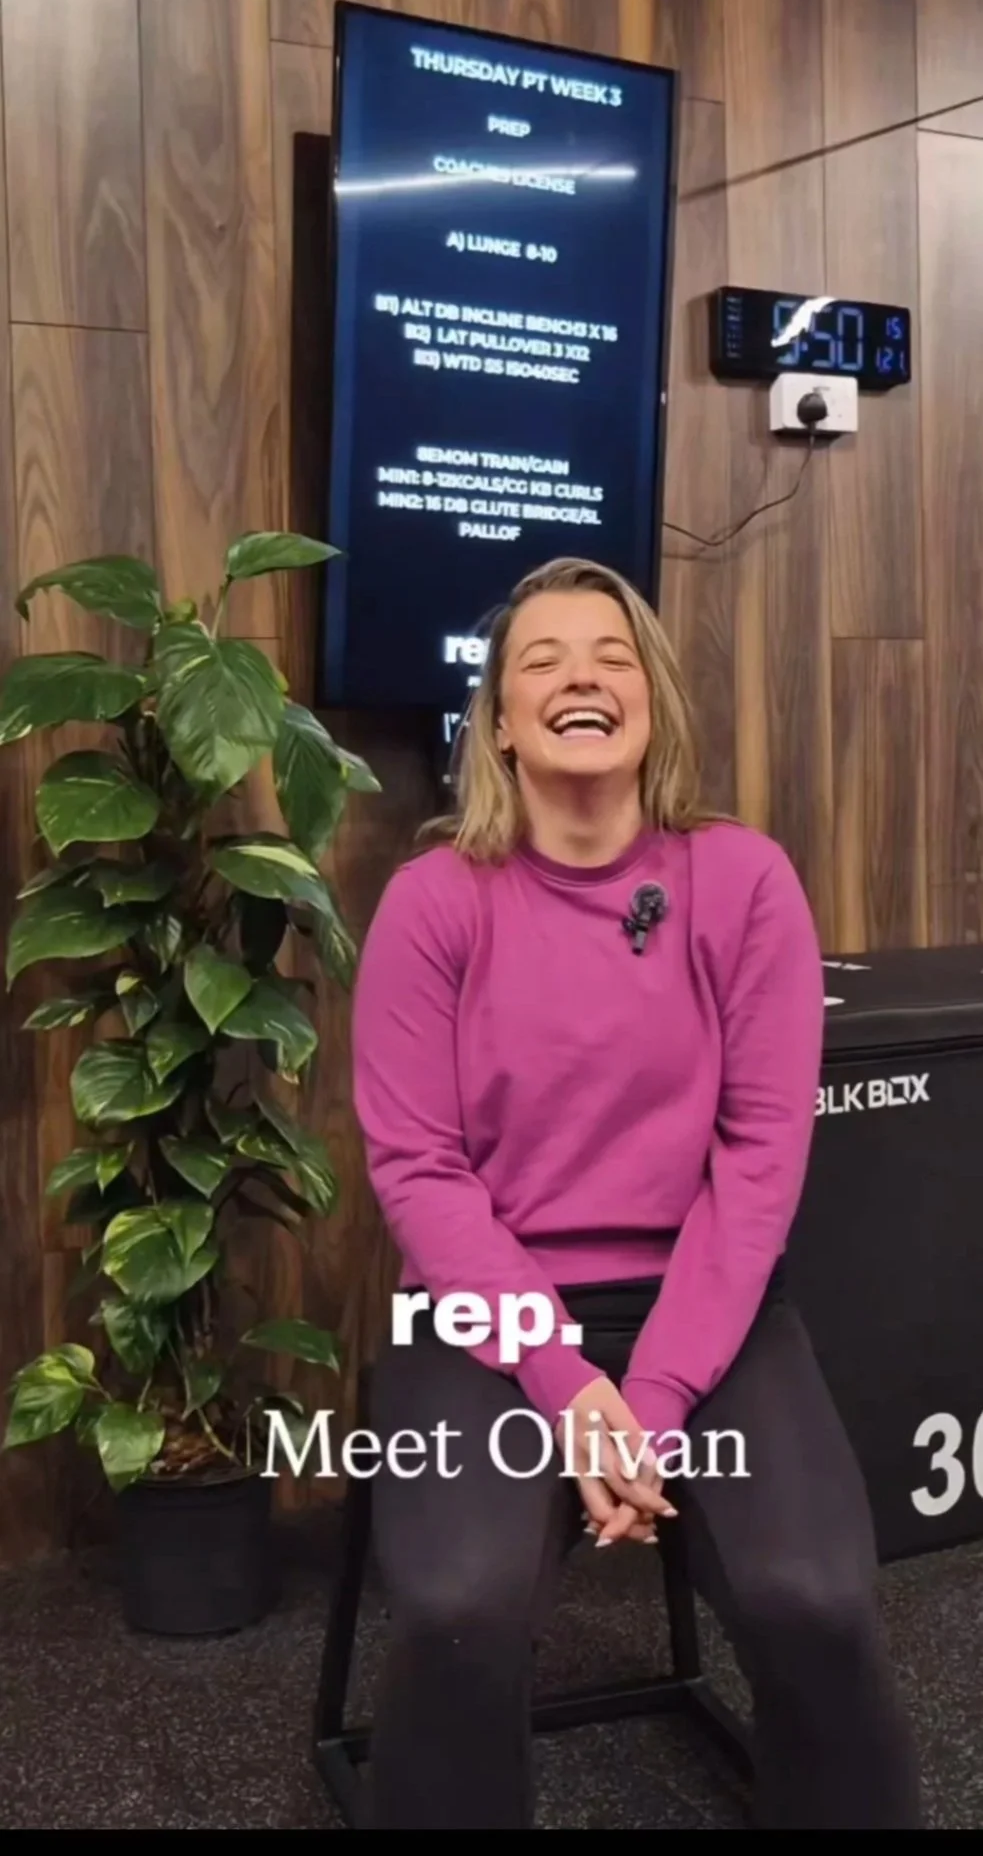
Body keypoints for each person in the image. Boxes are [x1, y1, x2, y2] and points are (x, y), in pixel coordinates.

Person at [350, 556, 922, 1831]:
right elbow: (418, 1168)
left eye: (608, 655)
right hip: (486, 1317)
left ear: (648, 699)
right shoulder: (434, 901)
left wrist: (649, 1396)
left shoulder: (741, 882)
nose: (579, 678)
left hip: (701, 1308)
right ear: (498, 721)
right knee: (457, 1610)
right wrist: (564, 1385)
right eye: (539, 660)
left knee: (813, 1598)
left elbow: (760, 1153)